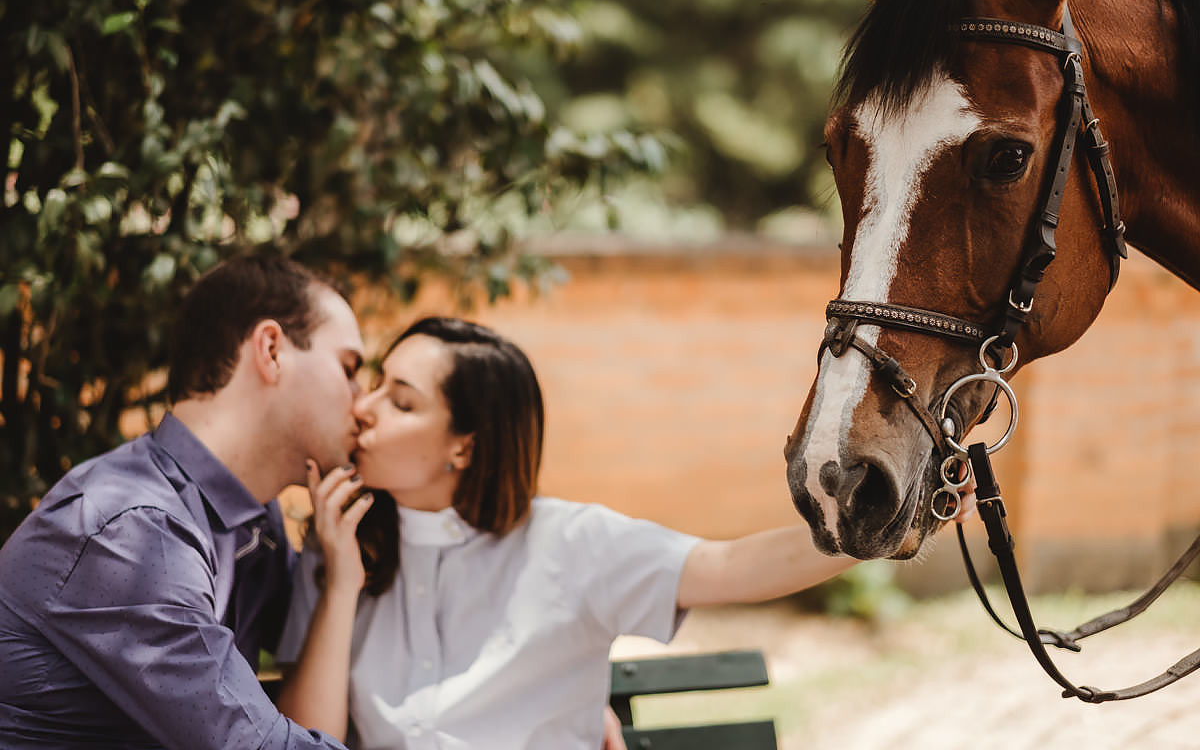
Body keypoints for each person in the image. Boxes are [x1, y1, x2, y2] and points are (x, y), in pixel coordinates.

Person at [276, 317, 970, 749]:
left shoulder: (570, 546)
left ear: (465, 444)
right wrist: (340, 585)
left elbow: (730, 567)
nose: (362, 411)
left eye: (399, 401)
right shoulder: (343, 550)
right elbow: (309, 742)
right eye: (373, 386)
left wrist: (891, 519)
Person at [0, 254, 368, 749]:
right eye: (349, 369)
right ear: (272, 350)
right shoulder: (131, 529)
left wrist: (341, 580)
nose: (364, 403)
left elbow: (303, 712)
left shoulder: (254, 527)